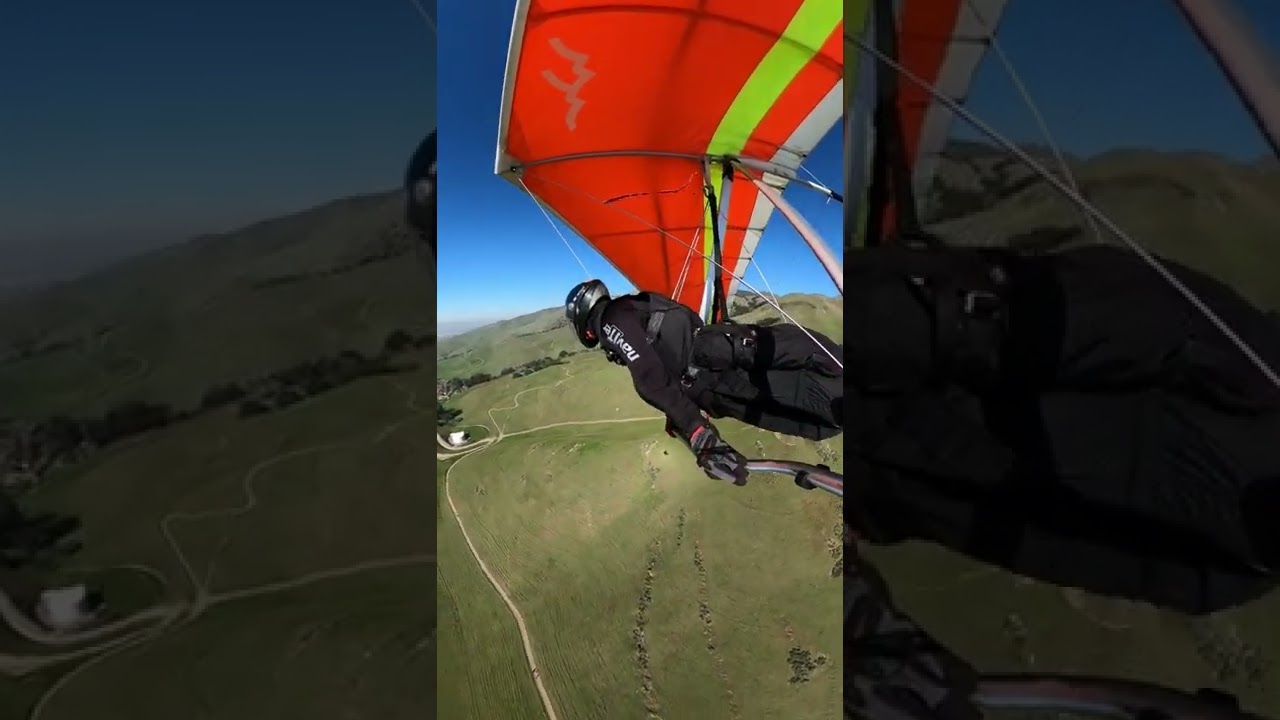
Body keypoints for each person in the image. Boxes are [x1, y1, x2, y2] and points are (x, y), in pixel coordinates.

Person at [842, 241, 1280, 614]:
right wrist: (896, 323)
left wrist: (880, 511)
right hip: (871, 356)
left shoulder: (1235, 575)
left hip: (869, 478)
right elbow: (1100, 308)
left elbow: (1036, 549)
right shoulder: (1260, 371)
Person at [564, 279, 843, 485]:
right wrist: (697, 432)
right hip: (716, 362)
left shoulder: (613, 316)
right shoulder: (614, 318)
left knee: (815, 413)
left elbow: (654, 375)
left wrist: (691, 426)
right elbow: (650, 379)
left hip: (713, 385)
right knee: (811, 359)